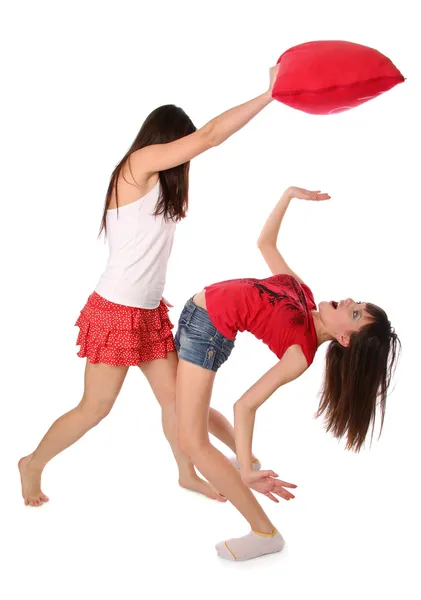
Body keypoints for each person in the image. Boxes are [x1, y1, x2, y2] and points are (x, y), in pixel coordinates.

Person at [18, 66, 279, 507]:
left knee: (179, 402)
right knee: (95, 408)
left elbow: (203, 142)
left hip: (148, 311)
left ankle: (187, 473)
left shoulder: (159, 185)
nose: (185, 156)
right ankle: (33, 463)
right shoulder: (137, 165)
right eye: (181, 144)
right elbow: (212, 135)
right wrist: (269, 94)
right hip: (116, 310)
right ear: (164, 140)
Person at [175, 185, 400, 561]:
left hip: (207, 333)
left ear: (344, 338)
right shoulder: (305, 295)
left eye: (356, 313)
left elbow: (245, 405)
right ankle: (245, 463)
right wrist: (289, 196)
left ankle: (264, 533)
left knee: (191, 441)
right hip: (195, 316)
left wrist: (244, 468)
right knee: (183, 412)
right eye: (358, 303)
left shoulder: (300, 352)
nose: (349, 302)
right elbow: (265, 244)